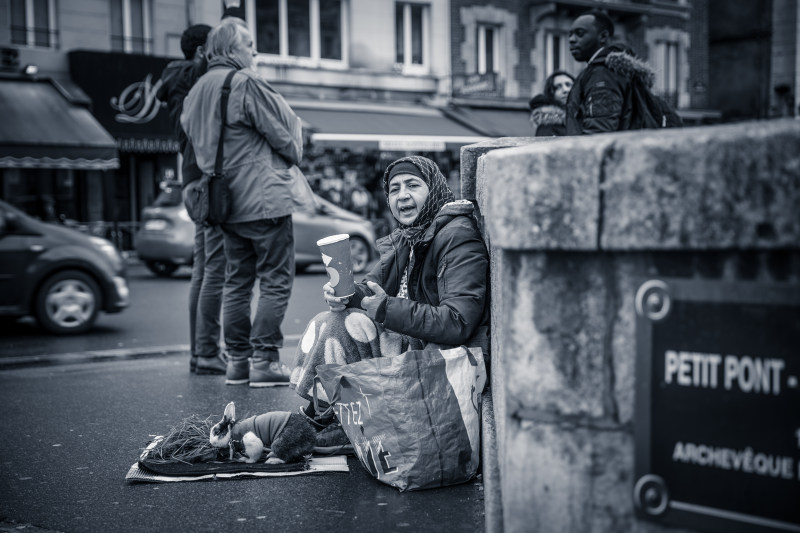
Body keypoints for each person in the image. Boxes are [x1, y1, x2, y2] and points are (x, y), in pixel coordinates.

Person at [290, 155, 490, 418]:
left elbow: (456, 322)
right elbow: (370, 288)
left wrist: (385, 308)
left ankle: (329, 415)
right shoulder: (407, 238)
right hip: (420, 344)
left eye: (413, 185)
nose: (402, 195)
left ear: (434, 190)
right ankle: (331, 412)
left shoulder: (457, 237)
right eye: (394, 189)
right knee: (332, 317)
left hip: (446, 357)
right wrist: (345, 295)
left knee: (343, 325)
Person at [181, 18, 304, 387]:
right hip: (263, 197)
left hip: (225, 203)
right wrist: (295, 149)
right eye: (249, 44)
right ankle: (264, 360)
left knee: (237, 283)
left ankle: (237, 362)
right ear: (231, 49)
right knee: (276, 280)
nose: (254, 51)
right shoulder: (244, 82)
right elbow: (285, 139)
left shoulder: (196, 90)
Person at [157, 23, 227, 375]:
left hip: (191, 179)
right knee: (213, 269)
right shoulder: (194, 79)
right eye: (214, 49)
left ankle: (201, 352)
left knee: (203, 270)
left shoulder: (176, 77)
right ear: (202, 53)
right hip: (203, 180)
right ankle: (206, 353)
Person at [565, 10, 648, 135]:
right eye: (570, 35)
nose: (571, 40)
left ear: (603, 37)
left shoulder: (603, 73)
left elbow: (599, 133)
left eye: (580, 33)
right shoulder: (604, 70)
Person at [529, 70, 575, 136]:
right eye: (558, 87)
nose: (565, 90)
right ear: (551, 94)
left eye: (568, 85)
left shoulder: (587, 116)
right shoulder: (547, 126)